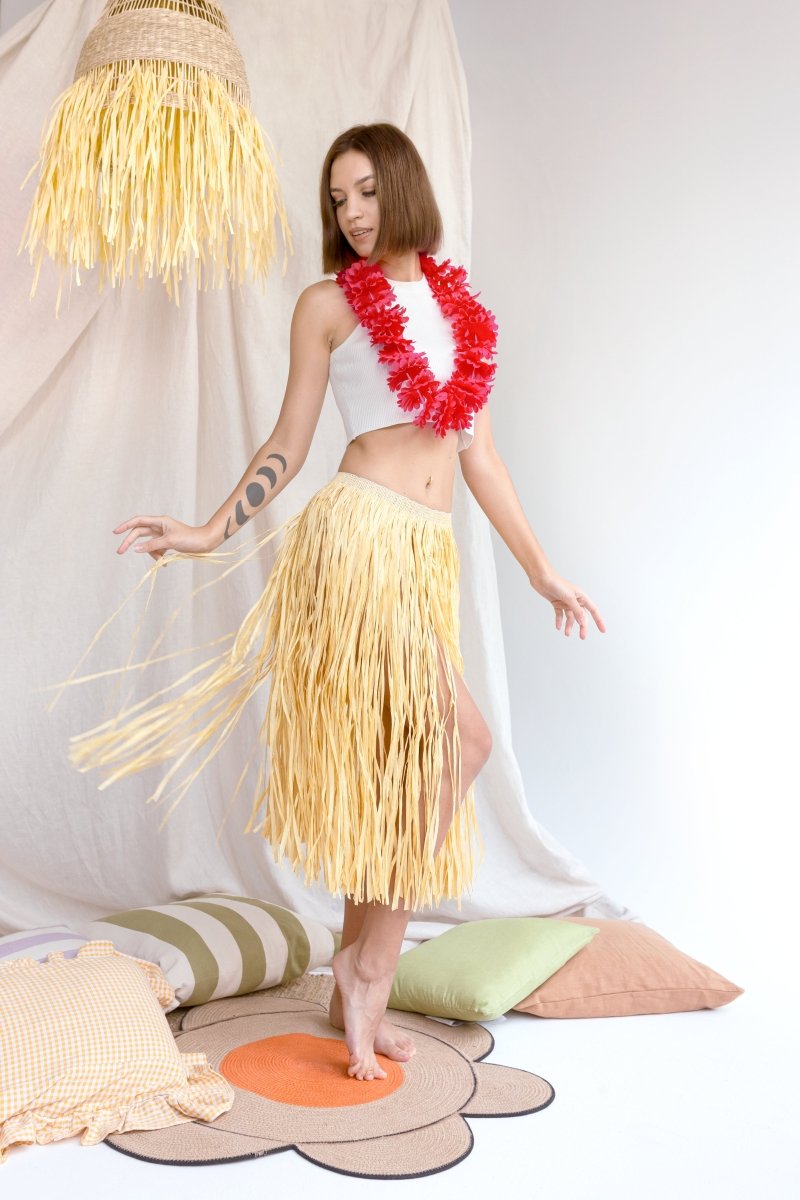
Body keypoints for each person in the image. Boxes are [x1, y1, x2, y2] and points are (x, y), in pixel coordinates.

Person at [67, 123, 605, 1083]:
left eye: (365, 192)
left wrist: (540, 570)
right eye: (338, 199)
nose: (352, 213)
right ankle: (369, 969)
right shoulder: (328, 305)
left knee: (409, 765)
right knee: (460, 743)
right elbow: (289, 439)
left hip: (422, 555)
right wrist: (210, 528)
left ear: (401, 187)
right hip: (357, 542)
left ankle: (356, 973)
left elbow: (479, 456)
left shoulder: (461, 311)